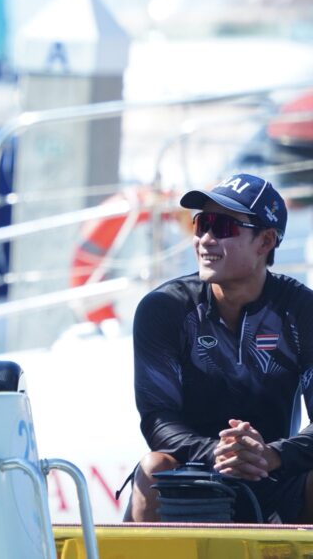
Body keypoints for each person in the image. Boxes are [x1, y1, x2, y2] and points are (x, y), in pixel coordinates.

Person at [129, 173, 313, 523]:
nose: (205, 239)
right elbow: (157, 419)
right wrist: (218, 452)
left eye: (224, 227)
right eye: (202, 224)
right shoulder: (164, 308)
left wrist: (272, 455)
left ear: (265, 241)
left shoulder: (303, 311)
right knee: (153, 468)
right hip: (193, 471)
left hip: (275, 473)